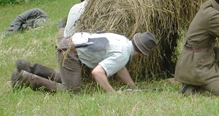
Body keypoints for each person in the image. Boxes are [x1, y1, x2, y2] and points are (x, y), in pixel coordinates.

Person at [11, 31, 158, 93]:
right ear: (141, 54)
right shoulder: (123, 54)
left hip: (69, 42)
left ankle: (29, 67)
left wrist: (132, 86)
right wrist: (113, 93)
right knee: (71, 91)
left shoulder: (124, 41)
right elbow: (98, 73)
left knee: (65, 79)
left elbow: (120, 68)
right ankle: (25, 78)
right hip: (70, 51)